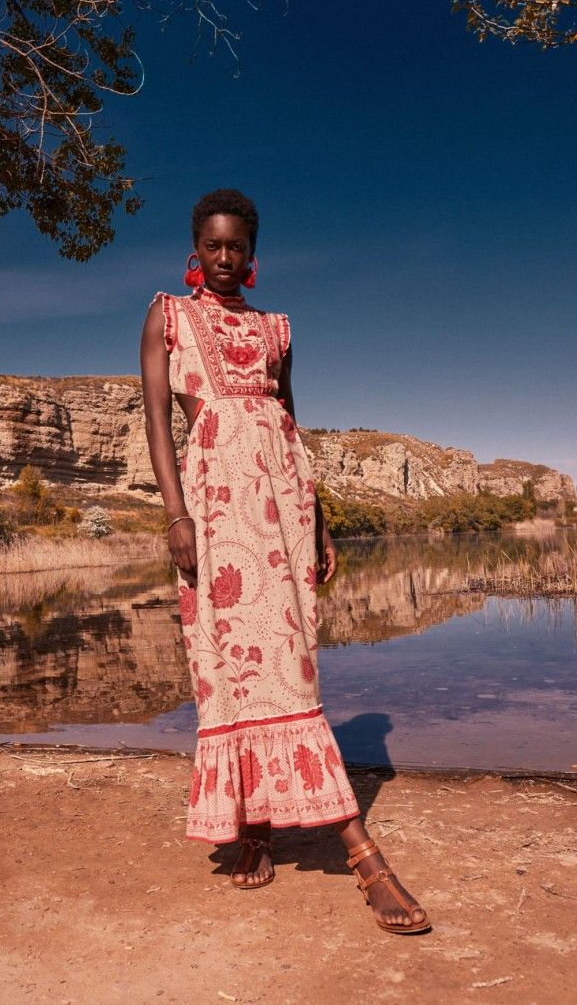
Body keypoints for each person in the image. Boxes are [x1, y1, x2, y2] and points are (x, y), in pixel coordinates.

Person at [140, 188, 429, 934]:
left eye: (237, 246)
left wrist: (321, 520)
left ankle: (298, 833)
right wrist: (176, 515)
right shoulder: (167, 316)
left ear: (253, 255)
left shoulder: (278, 329)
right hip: (213, 507)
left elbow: (291, 423)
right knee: (232, 666)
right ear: (195, 250)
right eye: (213, 245)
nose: (225, 257)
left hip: (285, 507)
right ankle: (328, 845)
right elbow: (158, 426)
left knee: (291, 665)